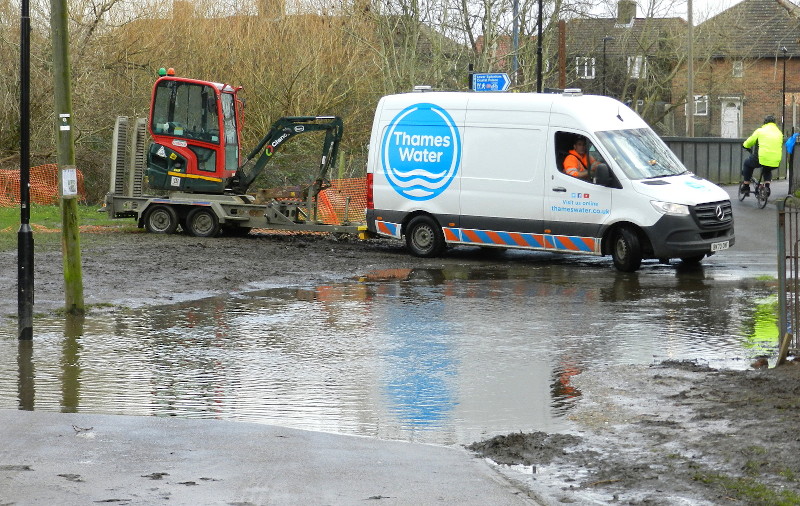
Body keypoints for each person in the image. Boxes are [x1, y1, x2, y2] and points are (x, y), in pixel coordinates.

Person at [741, 115, 783, 196]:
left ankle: (746, 186)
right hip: (776, 160)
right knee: (767, 169)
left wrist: (744, 145)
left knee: (747, 163)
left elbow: (750, 141)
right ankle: (767, 187)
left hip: (761, 158)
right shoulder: (779, 133)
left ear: (765, 122)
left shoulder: (760, 131)